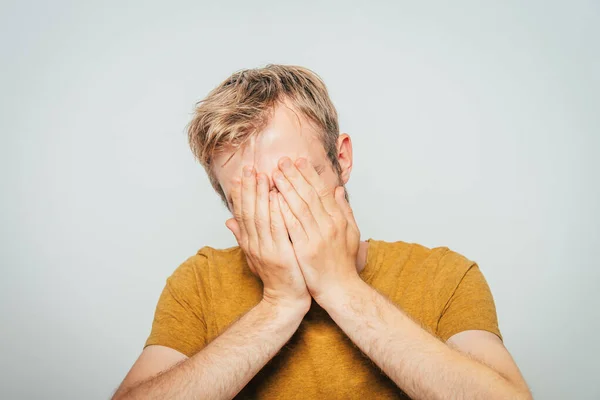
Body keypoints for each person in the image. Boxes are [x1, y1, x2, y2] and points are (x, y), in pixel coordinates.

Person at [112, 65, 532, 399]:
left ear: (341, 158)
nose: (285, 208)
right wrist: (278, 305)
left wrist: (341, 288)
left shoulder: (444, 275)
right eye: (254, 194)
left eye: (297, 179)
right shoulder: (199, 282)